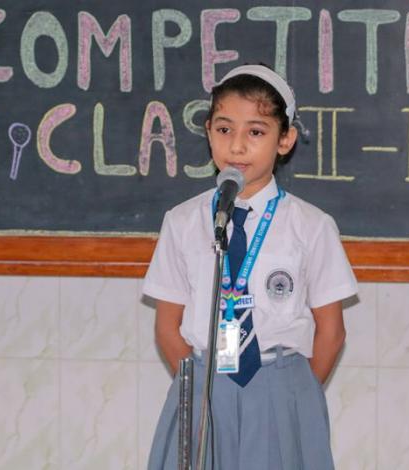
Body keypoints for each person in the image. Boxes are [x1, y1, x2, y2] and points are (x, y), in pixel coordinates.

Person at [142, 64, 358, 470]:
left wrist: (293, 393)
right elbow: (167, 326)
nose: (237, 146)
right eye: (225, 129)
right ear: (208, 131)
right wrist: (199, 389)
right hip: (203, 386)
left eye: (256, 132)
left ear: (285, 139)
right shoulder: (183, 221)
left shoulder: (311, 225)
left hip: (280, 384)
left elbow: (332, 331)